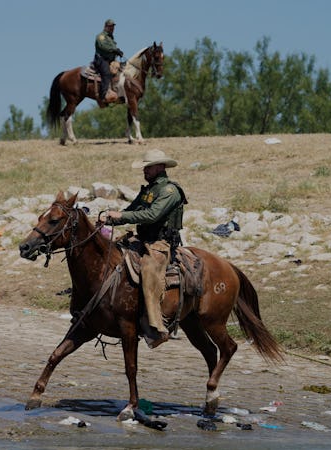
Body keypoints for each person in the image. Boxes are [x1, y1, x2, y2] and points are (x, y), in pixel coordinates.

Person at [103, 149, 187, 349]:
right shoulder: (148, 190)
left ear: (160, 167)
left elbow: (152, 216)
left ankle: (156, 327)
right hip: (143, 239)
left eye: (148, 167)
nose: (145, 171)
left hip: (160, 244)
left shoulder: (170, 191)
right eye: (144, 167)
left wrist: (121, 217)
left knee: (149, 270)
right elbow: (131, 210)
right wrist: (109, 217)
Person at [94, 18, 123, 104]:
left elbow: (112, 48)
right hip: (101, 59)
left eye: (113, 27)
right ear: (106, 26)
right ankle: (103, 97)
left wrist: (118, 51)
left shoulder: (110, 38)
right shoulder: (101, 36)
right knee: (106, 73)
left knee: (122, 70)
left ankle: (118, 92)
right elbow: (103, 46)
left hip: (110, 60)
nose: (112, 29)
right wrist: (114, 50)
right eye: (110, 27)